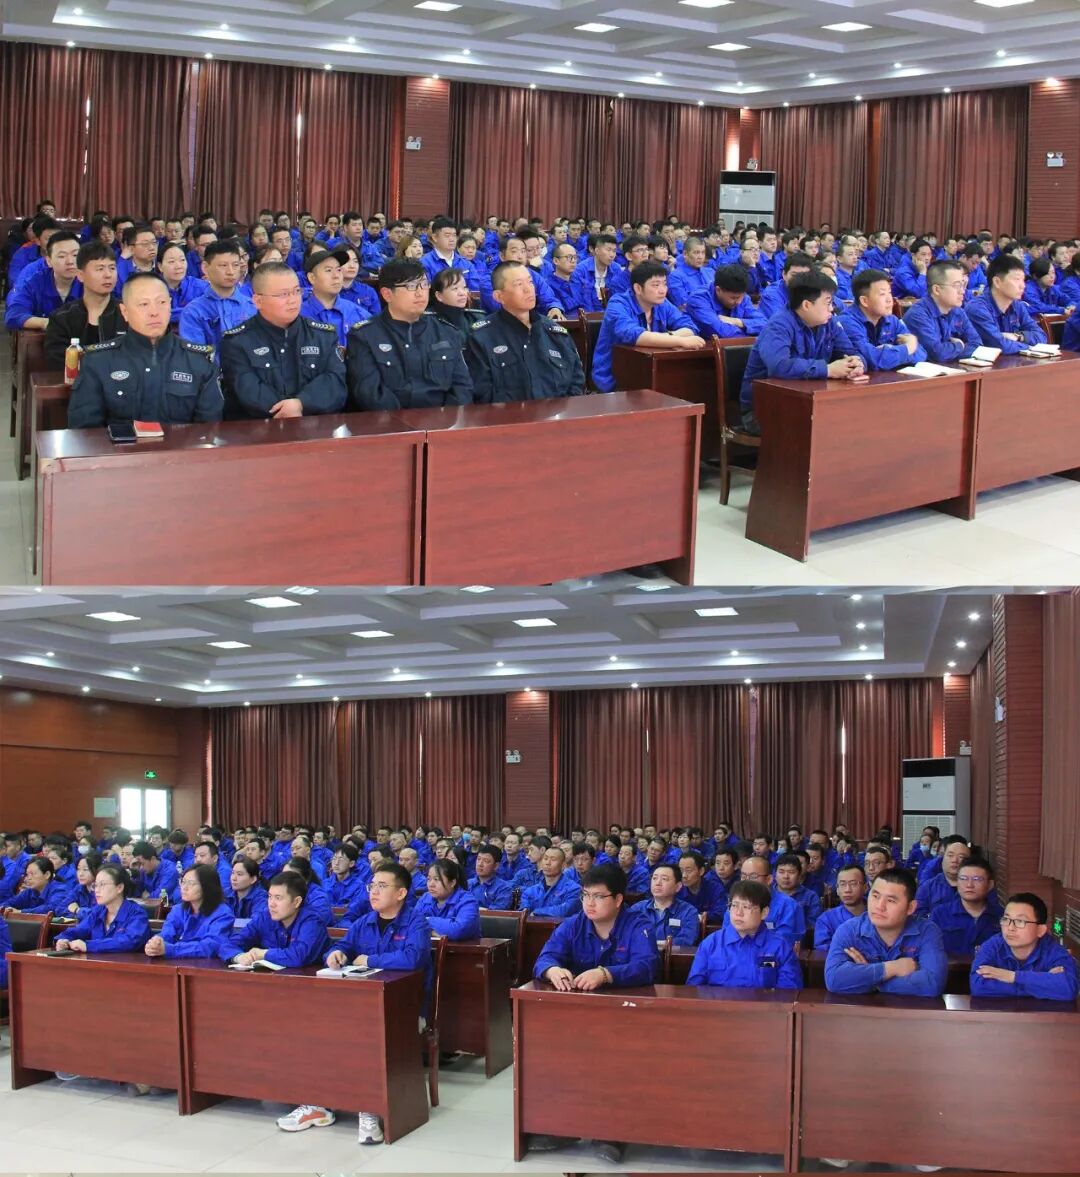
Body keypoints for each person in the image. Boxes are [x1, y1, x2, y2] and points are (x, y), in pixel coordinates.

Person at [284, 862, 432, 1142]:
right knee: (317, 1030)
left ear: (401, 893)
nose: (373, 891)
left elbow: (412, 958)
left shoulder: (416, 922)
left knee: (365, 1036)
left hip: (406, 1011)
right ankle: (319, 1102)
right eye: (371, 886)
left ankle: (369, 1109)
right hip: (360, 1008)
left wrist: (370, 960)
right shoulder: (364, 922)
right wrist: (335, 954)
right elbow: (342, 945)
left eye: (381, 886)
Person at [529, 863, 659, 1162]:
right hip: (579, 1017)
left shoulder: (638, 925)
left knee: (616, 1064)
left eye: (598, 897)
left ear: (618, 899)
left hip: (627, 1018)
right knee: (556, 1058)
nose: (589, 903)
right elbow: (545, 957)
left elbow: (647, 966)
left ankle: (613, 1132)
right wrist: (552, 969)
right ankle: (565, 1126)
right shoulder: (573, 924)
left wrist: (606, 973)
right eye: (585, 895)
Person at [66, 273, 223, 429]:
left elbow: (208, 429)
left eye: (161, 302)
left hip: (183, 445)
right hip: (119, 446)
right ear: (125, 312)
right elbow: (84, 431)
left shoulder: (198, 361)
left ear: (170, 305)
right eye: (143, 304)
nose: (154, 312)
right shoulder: (97, 362)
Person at [738, 270, 865, 435]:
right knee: (829, 428)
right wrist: (828, 369)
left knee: (853, 418)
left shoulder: (829, 323)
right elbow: (780, 366)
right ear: (806, 305)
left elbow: (849, 352)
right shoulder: (778, 326)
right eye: (827, 302)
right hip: (765, 408)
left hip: (808, 400)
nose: (832, 308)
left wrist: (856, 363)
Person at [218, 260, 346, 418]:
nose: (293, 300)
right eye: (283, 294)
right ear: (258, 301)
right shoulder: (237, 341)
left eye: (296, 291)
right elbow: (247, 390)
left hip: (315, 423)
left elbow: (335, 382)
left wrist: (301, 404)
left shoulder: (323, 335)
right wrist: (287, 410)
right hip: (259, 427)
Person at [345, 258, 472, 411]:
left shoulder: (447, 332)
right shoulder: (364, 336)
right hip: (389, 421)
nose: (420, 293)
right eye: (411, 286)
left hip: (442, 420)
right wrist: (406, 421)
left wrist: (444, 418)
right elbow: (369, 394)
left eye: (424, 285)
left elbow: (462, 387)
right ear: (387, 294)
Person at [465, 261, 585, 402]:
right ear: (499, 296)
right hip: (509, 415)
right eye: (518, 284)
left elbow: (576, 380)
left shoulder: (555, 333)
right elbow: (482, 393)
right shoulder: (482, 337)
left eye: (530, 282)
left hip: (557, 413)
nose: (528, 289)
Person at [824, 867, 948, 996]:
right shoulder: (849, 930)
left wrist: (869, 979)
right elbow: (834, 980)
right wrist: (891, 968)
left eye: (890, 900)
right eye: (875, 896)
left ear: (910, 908)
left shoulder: (928, 931)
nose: (879, 906)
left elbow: (933, 984)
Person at [591, 260, 705, 392]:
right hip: (614, 380)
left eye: (664, 284)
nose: (662, 290)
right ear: (638, 288)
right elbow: (634, 335)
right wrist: (680, 341)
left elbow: (690, 326)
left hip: (649, 373)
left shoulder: (662, 303)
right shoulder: (618, 304)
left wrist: (670, 337)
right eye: (656, 285)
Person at [687, 880, 801, 988]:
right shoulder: (710, 944)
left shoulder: (780, 947)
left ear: (764, 912)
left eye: (746, 907)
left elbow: (789, 993)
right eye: (734, 905)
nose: (738, 913)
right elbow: (694, 989)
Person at [971, 892, 1080, 1000]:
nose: (1010, 928)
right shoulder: (992, 946)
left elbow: (1068, 988)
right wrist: (1041, 984)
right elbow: (978, 986)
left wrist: (1012, 976)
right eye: (1006, 919)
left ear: (1040, 930)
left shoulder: (1054, 951)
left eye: (1020, 921)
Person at [216, 872, 331, 967]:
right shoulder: (265, 917)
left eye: (278, 898)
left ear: (296, 902)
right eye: (270, 897)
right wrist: (239, 957)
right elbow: (227, 944)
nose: (271, 904)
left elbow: (298, 956)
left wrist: (264, 954)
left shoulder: (312, 922)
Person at [43, 241, 124, 368]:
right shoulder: (62, 318)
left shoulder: (128, 313)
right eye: (100, 269)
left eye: (112, 268)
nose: (108, 275)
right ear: (80, 275)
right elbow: (56, 359)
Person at [838, 268, 927, 371]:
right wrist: (908, 347)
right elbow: (871, 361)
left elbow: (921, 354)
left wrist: (890, 352)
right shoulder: (847, 322)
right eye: (882, 294)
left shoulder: (892, 320)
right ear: (864, 301)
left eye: (889, 293)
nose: (889, 299)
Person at [178, 239, 256, 350]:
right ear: (205, 268)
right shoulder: (194, 312)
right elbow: (194, 355)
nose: (230, 272)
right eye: (223, 265)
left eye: (235, 265)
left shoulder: (252, 306)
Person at [54, 865, 152, 953]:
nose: (97, 890)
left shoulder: (137, 914)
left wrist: (89, 946)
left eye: (102, 884)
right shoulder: (98, 911)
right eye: (96, 885)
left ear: (119, 887)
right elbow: (78, 930)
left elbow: (129, 942)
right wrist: (63, 939)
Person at [144, 865, 233, 958]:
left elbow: (210, 947)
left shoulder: (223, 914)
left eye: (191, 883)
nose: (184, 887)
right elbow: (167, 934)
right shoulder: (177, 910)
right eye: (183, 882)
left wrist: (170, 949)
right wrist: (156, 943)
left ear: (207, 886)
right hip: (176, 963)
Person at [966, 254, 1048, 354]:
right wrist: (1030, 347)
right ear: (997, 282)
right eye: (1017, 280)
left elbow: (1042, 337)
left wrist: (1019, 337)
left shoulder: (1017, 306)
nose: (1023, 286)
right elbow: (999, 345)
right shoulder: (977, 308)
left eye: (1023, 280)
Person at [904, 261, 982, 364]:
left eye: (963, 285)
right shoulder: (918, 315)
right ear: (937, 289)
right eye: (957, 285)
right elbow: (937, 354)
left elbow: (977, 344)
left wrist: (950, 350)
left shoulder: (958, 311)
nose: (962, 291)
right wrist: (960, 345)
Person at [5, 231, 83, 330]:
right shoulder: (34, 283)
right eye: (62, 256)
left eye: (75, 255)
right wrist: (47, 323)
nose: (70, 262)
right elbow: (14, 315)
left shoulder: (90, 281)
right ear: (49, 261)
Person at [928, 857, 1003, 954]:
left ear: (990, 884)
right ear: (957, 882)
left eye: (977, 879)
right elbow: (930, 950)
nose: (969, 885)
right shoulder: (940, 914)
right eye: (963, 879)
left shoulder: (1001, 916)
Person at [299, 248, 372, 345]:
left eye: (339, 270)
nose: (336, 276)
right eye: (328, 270)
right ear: (312, 278)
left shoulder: (359, 314)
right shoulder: (298, 316)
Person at [731, 855, 806, 944]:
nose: (747, 881)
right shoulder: (736, 904)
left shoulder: (788, 906)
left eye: (753, 876)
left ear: (769, 879)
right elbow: (728, 934)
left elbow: (783, 942)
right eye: (743, 876)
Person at [686, 264, 766, 340]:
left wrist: (738, 322)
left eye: (742, 296)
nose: (739, 302)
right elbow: (723, 333)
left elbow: (764, 324)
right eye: (734, 298)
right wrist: (752, 331)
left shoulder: (743, 297)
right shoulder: (698, 300)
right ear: (718, 290)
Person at [631, 862, 699, 945]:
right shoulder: (637, 909)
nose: (658, 883)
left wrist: (659, 945)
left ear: (678, 886)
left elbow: (687, 940)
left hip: (672, 953)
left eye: (664, 879)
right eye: (654, 878)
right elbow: (627, 936)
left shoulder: (688, 912)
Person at [414, 858, 481, 939]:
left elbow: (459, 930)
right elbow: (412, 925)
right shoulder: (425, 898)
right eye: (429, 879)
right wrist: (432, 931)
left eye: (436, 879)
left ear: (452, 882)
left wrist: (427, 920)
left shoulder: (467, 901)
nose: (431, 884)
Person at [813, 864, 868, 953]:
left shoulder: (878, 914)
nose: (847, 890)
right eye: (842, 884)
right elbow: (822, 950)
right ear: (837, 890)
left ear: (865, 888)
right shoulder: (826, 919)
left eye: (853, 883)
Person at [914, 834, 971, 914]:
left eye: (961, 857)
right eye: (950, 855)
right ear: (942, 859)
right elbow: (919, 917)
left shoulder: (977, 886)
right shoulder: (927, 888)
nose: (955, 860)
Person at [519, 845, 582, 917]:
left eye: (553, 859)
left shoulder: (574, 889)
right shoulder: (530, 891)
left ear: (563, 865)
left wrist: (537, 912)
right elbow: (523, 913)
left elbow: (564, 911)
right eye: (545, 859)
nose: (548, 863)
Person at [428, 267, 483, 344]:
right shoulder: (427, 322)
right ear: (439, 295)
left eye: (464, 288)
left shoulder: (476, 318)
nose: (462, 293)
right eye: (455, 288)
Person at [2, 857, 69, 913]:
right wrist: (6, 909)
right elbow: (9, 903)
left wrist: (21, 912)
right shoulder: (29, 891)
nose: (29, 878)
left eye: (32, 874)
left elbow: (50, 908)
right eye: (27, 874)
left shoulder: (60, 889)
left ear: (47, 875)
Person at [773, 852, 822, 928]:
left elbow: (813, 925)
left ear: (799, 875)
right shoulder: (767, 894)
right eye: (781, 872)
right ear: (775, 874)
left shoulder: (811, 897)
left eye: (791, 872)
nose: (786, 876)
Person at [131, 839, 180, 904]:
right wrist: (133, 872)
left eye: (142, 863)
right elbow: (135, 891)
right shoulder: (143, 869)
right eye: (139, 864)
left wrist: (146, 896)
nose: (141, 868)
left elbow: (159, 896)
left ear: (153, 859)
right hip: (149, 906)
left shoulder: (170, 870)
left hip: (168, 906)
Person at [468, 843, 514, 908]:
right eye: (478, 859)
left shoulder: (503, 888)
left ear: (496, 866)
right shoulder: (467, 884)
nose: (480, 864)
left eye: (486, 861)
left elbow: (497, 912)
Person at [227, 854, 269, 921]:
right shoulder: (227, 893)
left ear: (253, 879)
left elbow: (256, 922)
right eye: (232, 873)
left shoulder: (261, 898)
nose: (234, 878)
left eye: (239, 874)